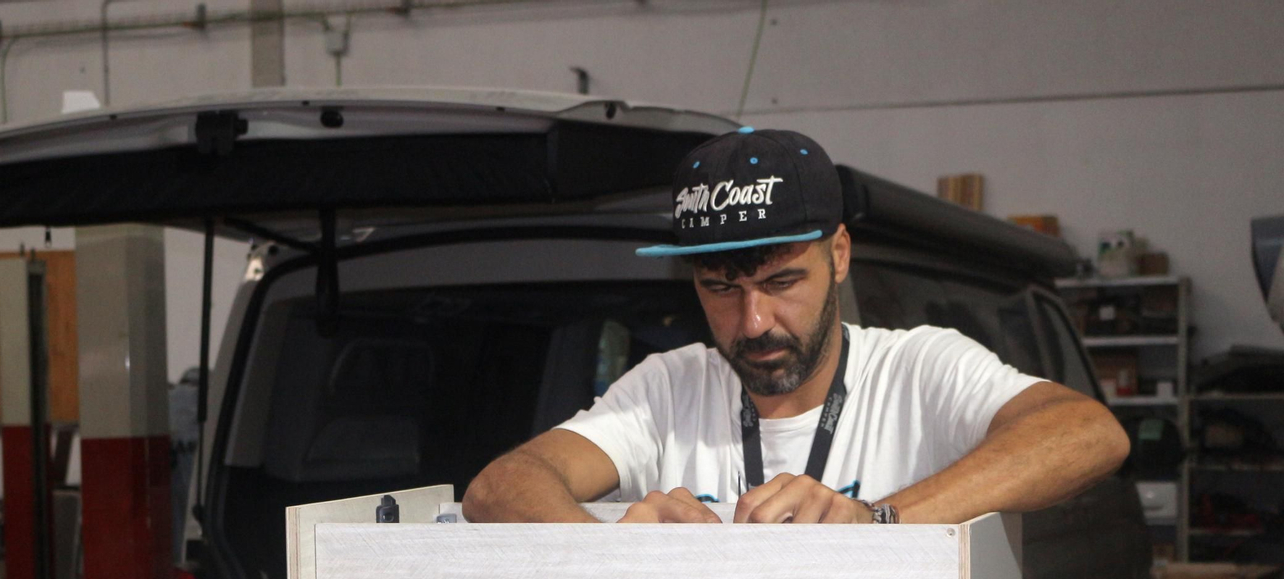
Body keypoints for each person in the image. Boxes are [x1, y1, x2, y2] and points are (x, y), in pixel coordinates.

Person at [461, 128, 1128, 525]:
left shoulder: (918, 368)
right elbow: (498, 488)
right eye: (721, 289)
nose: (753, 322)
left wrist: (876, 519)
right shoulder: (668, 388)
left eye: (782, 283)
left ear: (838, 255)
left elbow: (1087, 432)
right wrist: (614, 552)